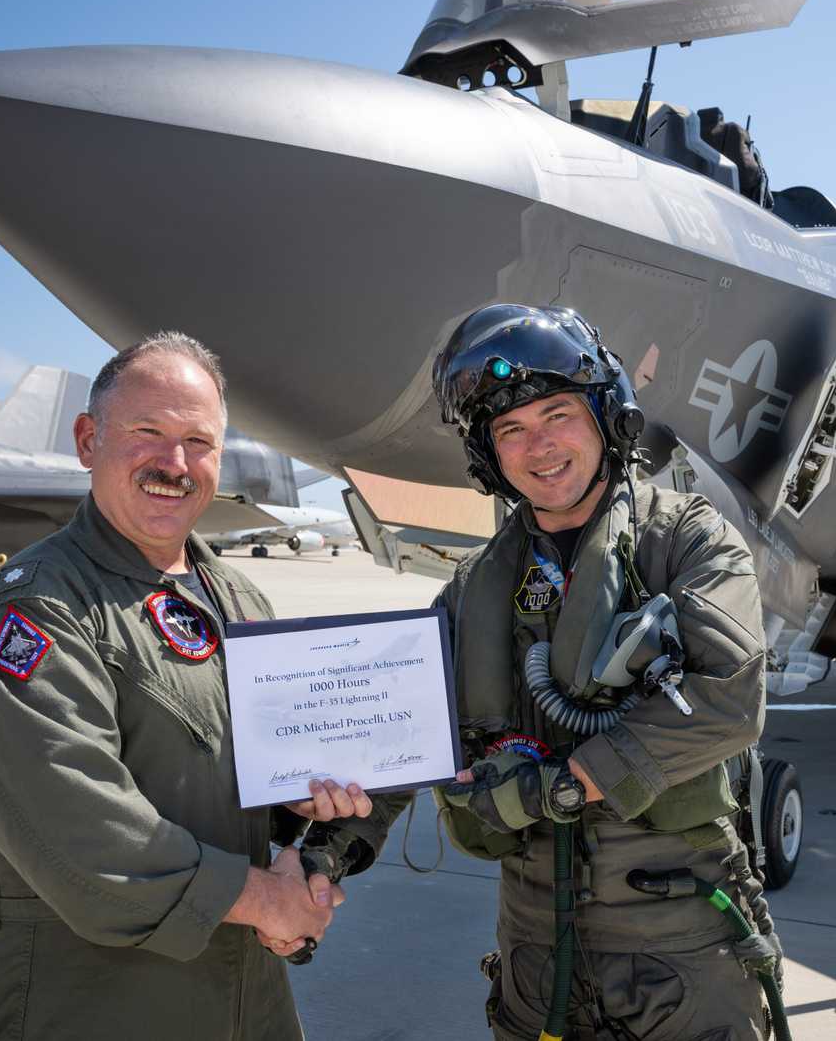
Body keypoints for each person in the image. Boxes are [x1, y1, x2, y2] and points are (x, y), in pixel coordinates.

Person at [311, 304, 781, 1039]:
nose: (540, 445)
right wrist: (323, 860)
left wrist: (558, 786)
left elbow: (728, 699)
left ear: (606, 417)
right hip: (535, 952)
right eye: (510, 430)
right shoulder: (475, 591)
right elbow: (398, 728)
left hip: (678, 947)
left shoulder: (684, 540)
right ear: (488, 455)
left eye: (556, 414)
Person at [0, 332, 372, 1041]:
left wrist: (305, 837)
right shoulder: (36, 610)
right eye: (148, 432)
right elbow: (79, 829)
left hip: (243, 997)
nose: (175, 462)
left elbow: (239, 783)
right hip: (88, 1003)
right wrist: (266, 901)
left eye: (199, 441)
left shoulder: (240, 600)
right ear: (86, 439)